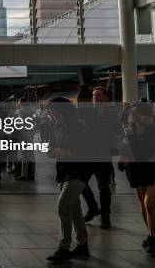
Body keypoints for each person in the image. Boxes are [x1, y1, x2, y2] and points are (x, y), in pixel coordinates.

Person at [46, 97, 92, 263]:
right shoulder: (57, 127)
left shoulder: (79, 128)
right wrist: (52, 151)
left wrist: (67, 153)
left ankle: (64, 247)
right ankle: (82, 244)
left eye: (55, 112)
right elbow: (50, 147)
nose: (52, 115)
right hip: (64, 171)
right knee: (74, 208)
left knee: (63, 205)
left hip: (79, 172)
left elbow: (86, 151)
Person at [121, 103, 155, 256]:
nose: (134, 116)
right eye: (133, 114)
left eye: (136, 113)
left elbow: (149, 150)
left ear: (147, 115)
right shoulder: (130, 131)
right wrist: (124, 145)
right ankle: (152, 235)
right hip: (137, 170)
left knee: (149, 204)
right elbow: (125, 150)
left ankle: (153, 238)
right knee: (143, 205)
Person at [81, 86, 121, 229]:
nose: (95, 98)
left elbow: (118, 132)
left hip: (104, 154)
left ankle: (105, 216)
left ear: (106, 97)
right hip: (88, 154)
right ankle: (93, 207)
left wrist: (115, 146)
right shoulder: (87, 112)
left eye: (98, 95)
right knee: (80, 182)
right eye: (93, 95)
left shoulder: (112, 113)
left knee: (103, 187)